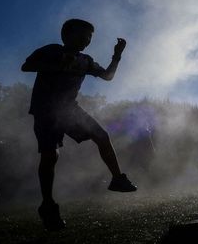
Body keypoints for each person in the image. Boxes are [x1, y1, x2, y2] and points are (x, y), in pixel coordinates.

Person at [22, 18, 137, 231]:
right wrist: (57, 65)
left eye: (89, 38)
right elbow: (27, 66)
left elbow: (108, 76)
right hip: (46, 109)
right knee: (50, 155)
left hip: (69, 109)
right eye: (82, 36)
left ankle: (118, 179)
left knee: (101, 136)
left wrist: (117, 55)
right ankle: (48, 205)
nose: (86, 41)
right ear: (67, 35)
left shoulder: (85, 60)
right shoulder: (52, 50)